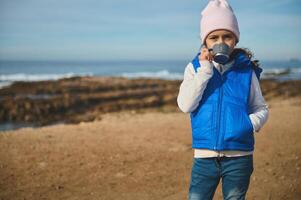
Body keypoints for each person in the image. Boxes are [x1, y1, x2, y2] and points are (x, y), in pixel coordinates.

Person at [176, 0, 269, 199]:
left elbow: (261, 107)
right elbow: (185, 105)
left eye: (227, 36)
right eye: (214, 37)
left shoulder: (246, 71)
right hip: (204, 157)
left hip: (239, 157)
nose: (221, 42)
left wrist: (248, 123)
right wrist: (205, 71)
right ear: (205, 41)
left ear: (235, 40)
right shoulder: (194, 68)